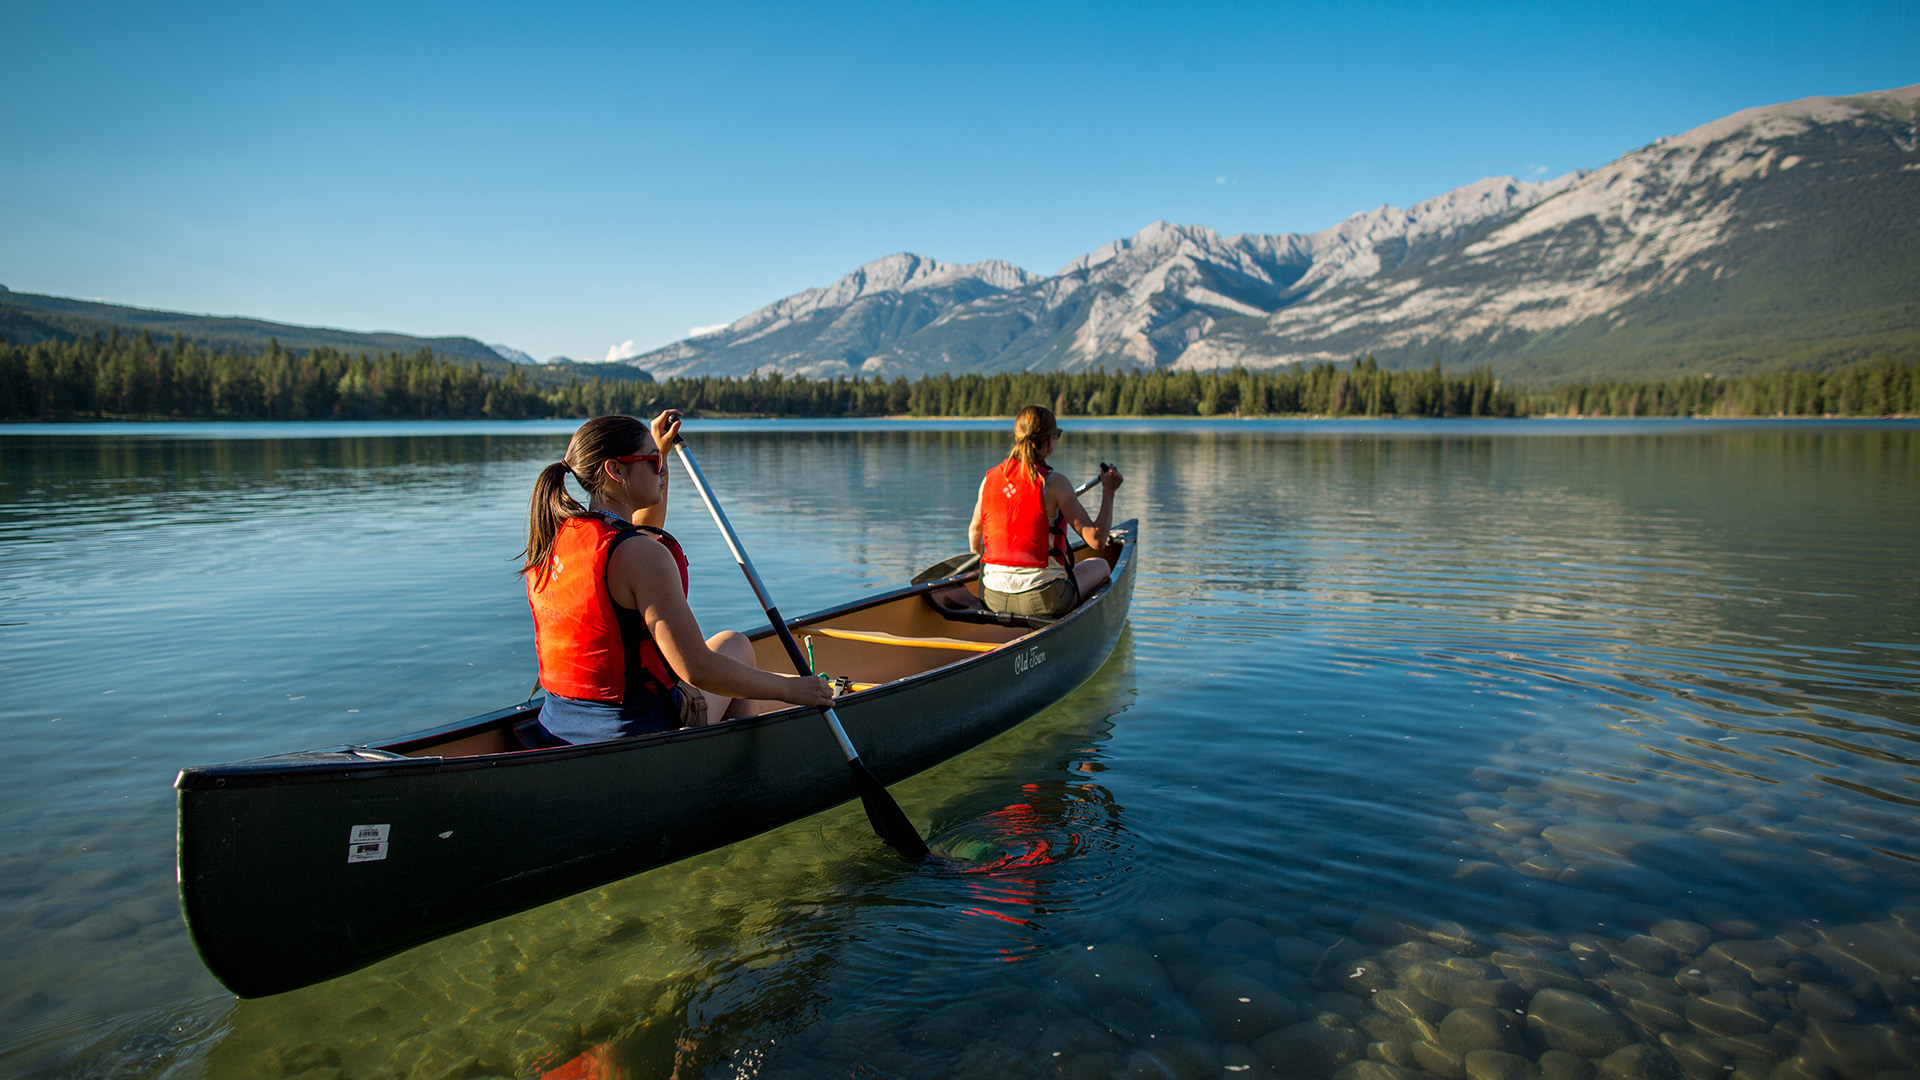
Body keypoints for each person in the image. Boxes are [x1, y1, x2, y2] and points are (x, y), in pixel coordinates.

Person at [517, 411, 834, 747]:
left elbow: (639, 538)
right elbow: (695, 668)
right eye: (652, 461)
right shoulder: (641, 556)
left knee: (732, 646)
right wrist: (792, 689)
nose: (662, 470)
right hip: (636, 729)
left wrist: (661, 451)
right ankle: (739, 776)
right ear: (615, 470)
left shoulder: (555, 538)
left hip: (558, 723)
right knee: (736, 645)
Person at [968, 404, 1123, 617]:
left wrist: (977, 558)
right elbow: (1096, 540)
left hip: (992, 597)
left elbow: (975, 531)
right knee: (1102, 565)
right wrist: (1109, 492)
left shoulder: (990, 479)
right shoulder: (1055, 483)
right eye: (1056, 435)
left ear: (1016, 437)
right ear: (1050, 441)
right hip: (1042, 598)